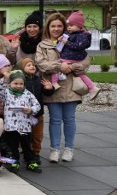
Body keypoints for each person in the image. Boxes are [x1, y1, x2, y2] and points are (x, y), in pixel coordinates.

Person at [35, 13, 89, 163]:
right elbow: (41, 64)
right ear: (48, 28)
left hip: (71, 86)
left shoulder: (75, 41)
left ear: (64, 27)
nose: (56, 29)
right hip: (53, 87)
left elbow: (85, 62)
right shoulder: (43, 45)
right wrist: (59, 66)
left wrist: (71, 67)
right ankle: (54, 150)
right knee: (55, 120)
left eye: (59, 26)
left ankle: (69, 149)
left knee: (70, 119)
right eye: (53, 26)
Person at [0, 70, 42, 173]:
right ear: (10, 83)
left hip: (25, 125)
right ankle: (14, 162)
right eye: (15, 83)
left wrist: (31, 110)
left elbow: (37, 105)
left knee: (26, 144)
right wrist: (4, 79)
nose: (18, 86)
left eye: (21, 83)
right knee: (13, 145)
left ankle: (30, 161)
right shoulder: (6, 92)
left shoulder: (27, 94)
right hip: (11, 126)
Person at [51, 11, 100, 99]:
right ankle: (92, 88)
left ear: (79, 25)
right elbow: (61, 43)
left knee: (56, 66)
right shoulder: (70, 34)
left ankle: (54, 83)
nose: (69, 28)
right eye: (68, 25)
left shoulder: (82, 36)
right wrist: (59, 40)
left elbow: (78, 46)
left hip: (71, 58)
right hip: (70, 58)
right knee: (81, 74)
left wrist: (66, 42)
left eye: (71, 25)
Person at [18, 57, 54, 163]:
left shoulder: (38, 79)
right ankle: (26, 152)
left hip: (37, 113)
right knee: (25, 134)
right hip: (24, 114)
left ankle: (36, 152)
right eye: (28, 65)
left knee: (37, 135)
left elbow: (45, 92)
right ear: (22, 68)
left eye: (33, 65)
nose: (32, 66)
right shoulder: (21, 81)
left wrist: (49, 88)